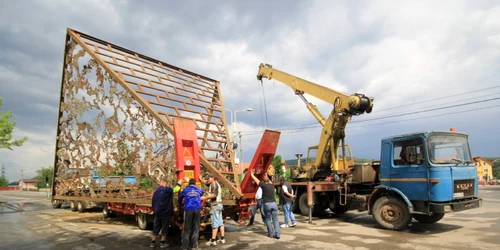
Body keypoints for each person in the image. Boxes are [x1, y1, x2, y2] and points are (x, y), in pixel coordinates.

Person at [250, 169, 280, 239]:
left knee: (268, 219)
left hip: (267, 204)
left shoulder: (263, 186)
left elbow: (257, 181)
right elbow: (270, 179)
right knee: (275, 219)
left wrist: (252, 174)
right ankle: (277, 234)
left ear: (264, 181)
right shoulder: (272, 185)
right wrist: (266, 175)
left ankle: (271, 234)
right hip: (274, 204)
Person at [199, 174, 225, 246]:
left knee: (215, 223)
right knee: (220, 222)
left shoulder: (214, 185)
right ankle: (222, 238)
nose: (208, 180)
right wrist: (201, 179)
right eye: (207, 178)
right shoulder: (212, 184)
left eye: (209, 178)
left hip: (215, 205)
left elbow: (214, 195)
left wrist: (204, 197)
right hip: (219, 205)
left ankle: (213, 240)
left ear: (213, 177)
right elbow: (206, 182)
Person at [178, 178, 204, 250]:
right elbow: (202, 194)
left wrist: (180, 203)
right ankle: (194, 246)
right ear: (195, 183)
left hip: (188, 210)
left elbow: (180, 198)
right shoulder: (199, 189)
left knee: (187, 228)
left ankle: (185, 246)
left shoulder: (185, 190)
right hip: (197, 209)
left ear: (189, 183)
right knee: (196, 227)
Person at [151, 177, 174, 248]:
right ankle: (162, 243)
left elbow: (153, 201)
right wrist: (179, 183)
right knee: (164, 227)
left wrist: (154, 209)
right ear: (164, 183)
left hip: (157, 212)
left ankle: (153, 243)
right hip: (165, 212)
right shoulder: (167, 189)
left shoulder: (156, 190)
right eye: (166, 183)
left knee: (156, 227)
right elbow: (175, 190)